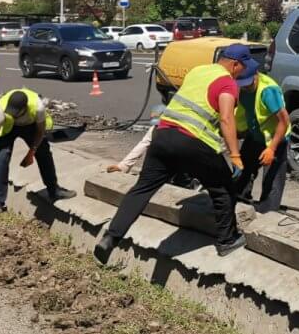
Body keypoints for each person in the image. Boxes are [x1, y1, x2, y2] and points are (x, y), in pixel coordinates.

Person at [94, 45, 254, 263]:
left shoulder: (198, 71)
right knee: (224, 189)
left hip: (162, 135)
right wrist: (235, 155)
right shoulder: (227, 82)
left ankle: (111, 237)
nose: (243, 73)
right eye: (243, 68)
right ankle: (227, 241)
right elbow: (227, 118)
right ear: (235, 64)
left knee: (142, 189)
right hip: (193, 142)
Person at [0, 89, 77, 211]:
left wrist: (31, 153)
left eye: (16, 113)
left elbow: (40, 131)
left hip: (30, 125)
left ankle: (54, 191)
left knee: (43, 152)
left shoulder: (38, 107)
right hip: (9, 126)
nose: (13, 114)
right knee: (2, 156)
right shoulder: (2, 110)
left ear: (24, 108)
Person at [234, 68, 291, 213]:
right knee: (243, 168)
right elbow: (241, 113)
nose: (245, 87)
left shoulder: (268, 91)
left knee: (272, 177)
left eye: (248, 84)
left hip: (276, 138)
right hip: (255, 134)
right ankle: (240, 199)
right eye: (242, 84)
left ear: (255, 75)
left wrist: (272, 148)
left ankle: (269, 209)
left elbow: (284, 121)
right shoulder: (242, 90)